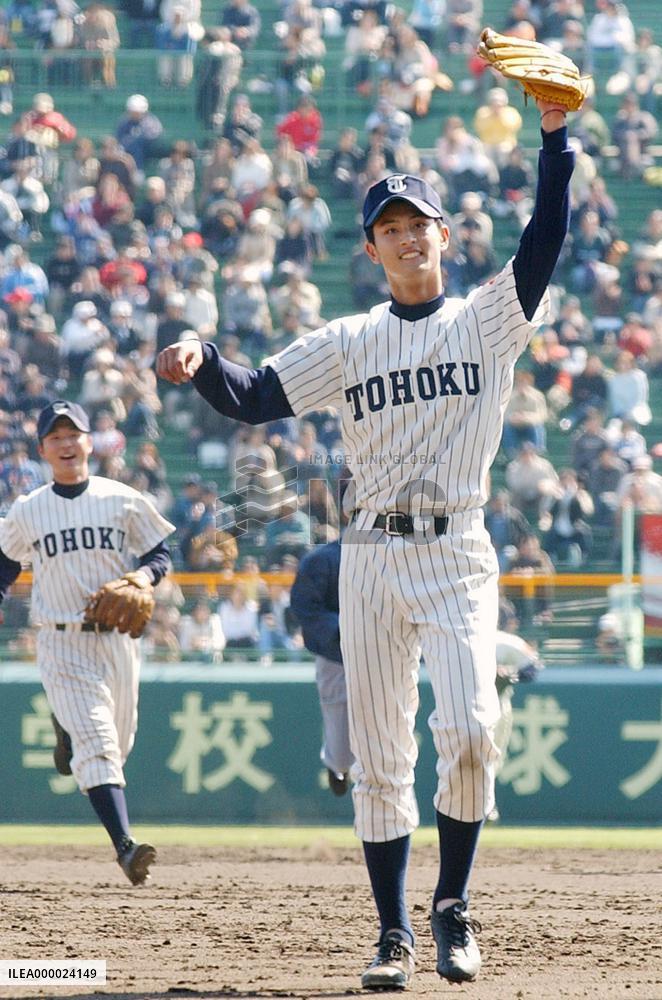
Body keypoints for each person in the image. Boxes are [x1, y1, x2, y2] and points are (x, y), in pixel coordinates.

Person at [157, 95, 575, 987]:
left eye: (418, 222)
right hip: (370, 557)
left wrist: (554, 140)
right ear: (373, 249)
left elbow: (544, 238)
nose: (406, 237)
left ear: (444, 237)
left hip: (455, 549)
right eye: (389, 227)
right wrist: (198, 354)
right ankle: (392, 934)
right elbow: (255, 393)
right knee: (383, 757)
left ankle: (452, 907)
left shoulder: (487, 320)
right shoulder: (349, 342)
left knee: (470, 729)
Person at [0, 400, 174, 884]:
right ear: (43, 450)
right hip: (61, 640)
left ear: (88, 443)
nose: (66, 444)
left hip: (117, 641)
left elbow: (159, 553)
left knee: (117, 747)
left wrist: (141, 577)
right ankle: (125, 847)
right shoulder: (29, 509)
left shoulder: (122, 498)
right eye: (55, 437)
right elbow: (5, 563)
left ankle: (66, 730)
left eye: (72, 434)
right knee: (97, 745)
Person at [290, 536, 353, 796]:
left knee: (384, 749)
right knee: (340, 752)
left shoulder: (399, 556)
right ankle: (335, 764)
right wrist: (345, 628)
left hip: (386, 657)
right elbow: (304, 606)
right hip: (335, 657)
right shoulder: (323, 559)